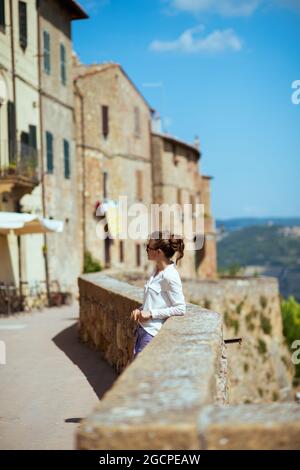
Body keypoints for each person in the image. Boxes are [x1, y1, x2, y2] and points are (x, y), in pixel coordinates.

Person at [130, 230, 186, 358]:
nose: (146, 250)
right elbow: (155, 301)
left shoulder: (170, 275)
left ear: (158, 252)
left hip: (151, 333)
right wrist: (140, 310)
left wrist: (151, 314)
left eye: (148, 248)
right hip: (142, 330)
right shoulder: (156, 270)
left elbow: (181, 308)